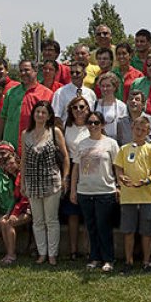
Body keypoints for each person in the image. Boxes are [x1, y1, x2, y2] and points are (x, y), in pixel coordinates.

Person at [70, 111, 120, 273]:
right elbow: (76, 168)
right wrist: (73, 190)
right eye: (90, 122)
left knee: (104, 226)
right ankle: (94, 257)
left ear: (103, 124)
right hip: (85, 191)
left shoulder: (111, 143)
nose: (93, 125)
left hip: (105, 191)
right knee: (90, 226)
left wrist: (119, 186)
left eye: (96, 122)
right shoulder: (81, 144)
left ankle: (108, 259)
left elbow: (117, 167)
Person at [20, 101, 69, 266]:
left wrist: (65, 178)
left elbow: (65, 157)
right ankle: (42, 253)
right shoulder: (26, 134)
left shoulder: (55, 132)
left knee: (51, 220)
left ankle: (52, 254)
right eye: (37, 111)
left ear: (49, 116)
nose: (40, 115)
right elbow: (24, 160)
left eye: (43, 112)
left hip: (51, 181)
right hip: (32, 181)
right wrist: (23, 182)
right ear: (33, 114)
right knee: (38, 221)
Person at [115, 117, 151, 272]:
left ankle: (146, 261)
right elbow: (118, 168)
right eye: (137, 129)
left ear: (148, 132)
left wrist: (148, 180)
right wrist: (121, 177)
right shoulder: (124, 149)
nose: (140, 132)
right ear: (132, 128)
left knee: (147, 232)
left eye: (143, 130)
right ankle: (128, 261)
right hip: (128, 197)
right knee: (128, 231)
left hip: (147, 197)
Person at [61, 97, 92, 260]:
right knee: (72, 212)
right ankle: (73, 250)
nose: (79, 110)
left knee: (88, 213)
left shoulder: (93, 124)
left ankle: (89, 249)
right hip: (71, 167)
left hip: (90, 169)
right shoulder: (66, 126)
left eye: (82, 107)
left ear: (88, 108)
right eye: (75, 107)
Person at [0, 60, 54, 150]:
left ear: (35, 71)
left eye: (26, 70)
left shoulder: (47, 94)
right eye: (21, 71)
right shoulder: (11, 93)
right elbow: (3, 117)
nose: (23, 73)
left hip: (35, 146)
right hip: (11, 145)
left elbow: (51, 122)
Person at [93, 72, 131, 145]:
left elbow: (124, 128)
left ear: (114, 87)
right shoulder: (94, 104)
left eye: (108, 86)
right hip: (97, 143)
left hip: (116, 143)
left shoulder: (121, 106)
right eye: (102, 86)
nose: (105, 89)